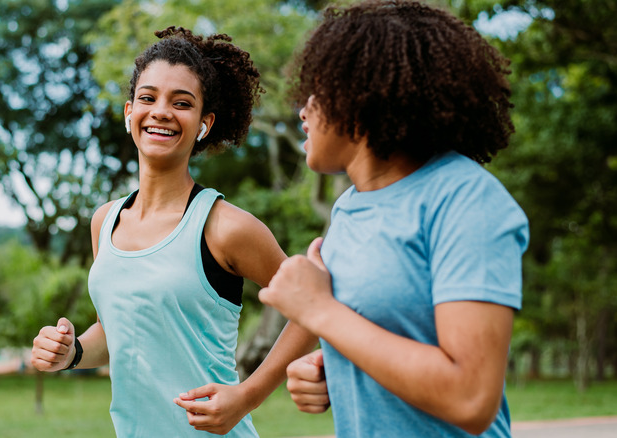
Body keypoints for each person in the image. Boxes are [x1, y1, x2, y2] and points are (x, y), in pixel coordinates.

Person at [258, 1, 529, 437]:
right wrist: (334, 370)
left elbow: (471, 397)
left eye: (317, 93)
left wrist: (321, 312)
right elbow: (383, 333)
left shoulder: (467, 200)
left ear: (362, 96)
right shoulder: (348, 208)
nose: (302, 110)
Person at [31, 27, 317, 437]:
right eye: (148, 98)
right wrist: (71, 352)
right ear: (129, 111)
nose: (161, 112)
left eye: (182, 103)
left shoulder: (225, 227)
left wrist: (248, 396)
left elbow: (313, 307)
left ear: (204, 123)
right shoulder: (105, 221)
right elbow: (116, 332)